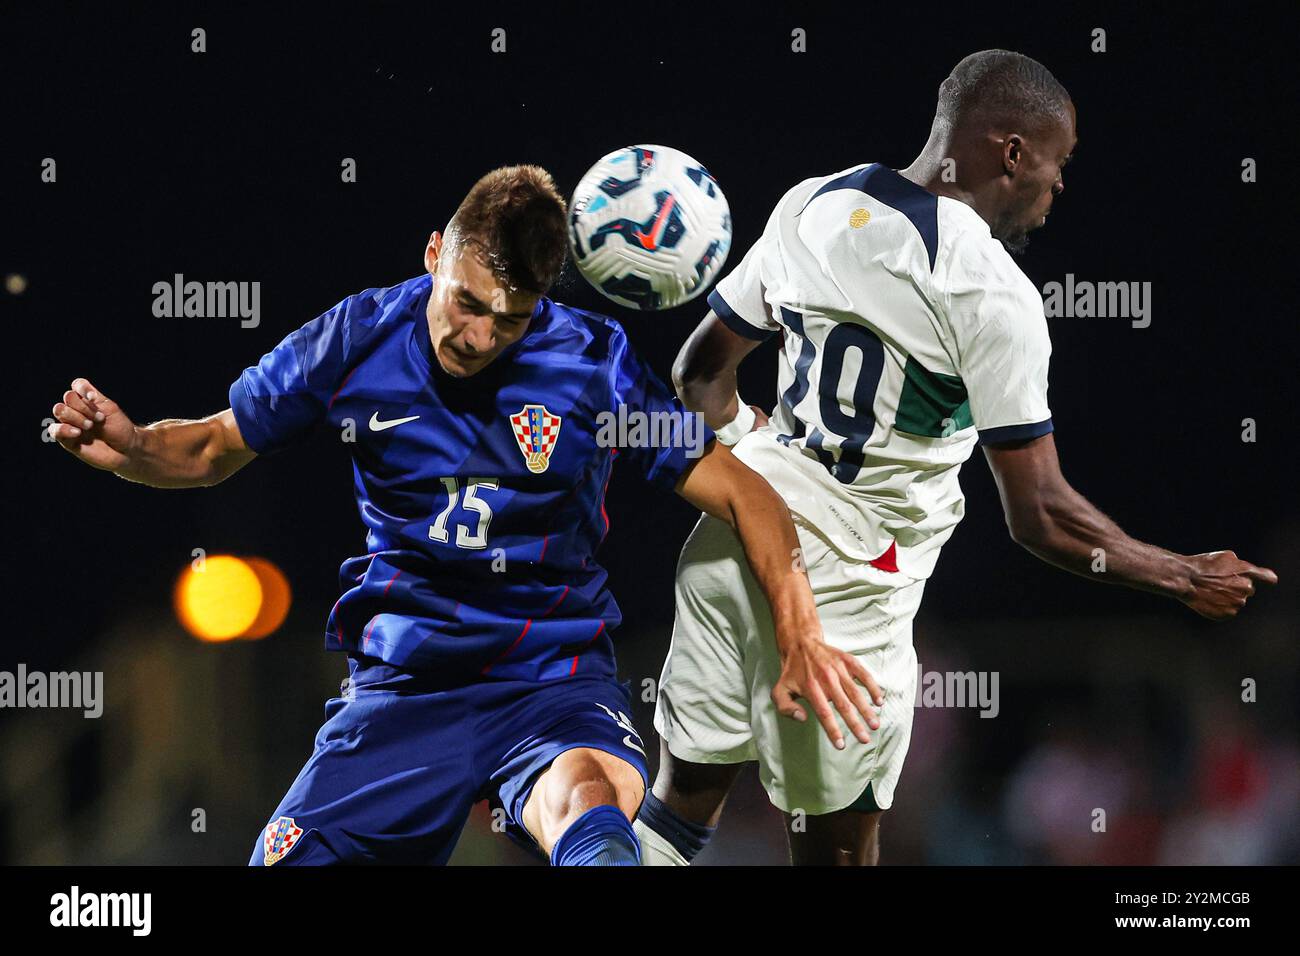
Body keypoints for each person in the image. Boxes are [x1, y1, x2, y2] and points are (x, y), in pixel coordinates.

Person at [47, 165, 880, 865]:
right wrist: (129, 445)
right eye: (469, 303)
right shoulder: (357, 338)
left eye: (510, 319)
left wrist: (800, 632)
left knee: (590, 806)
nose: (481, 336)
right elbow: (209, 448)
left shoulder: (592, 365)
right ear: (435, 254)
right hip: (406, 685)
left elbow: (746, 492)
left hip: (549, 682)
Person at [635, 50, 1278, 867]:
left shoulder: (814, 203)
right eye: (1059, 160)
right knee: (838, 851)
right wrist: (1181, 576)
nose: (1060, 184)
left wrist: (742, 439)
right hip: (849, 589)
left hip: (732, 545)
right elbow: (1038, 518)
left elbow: (698, 372)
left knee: (676, 816)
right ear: (1012, 152)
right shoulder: (990, 289)